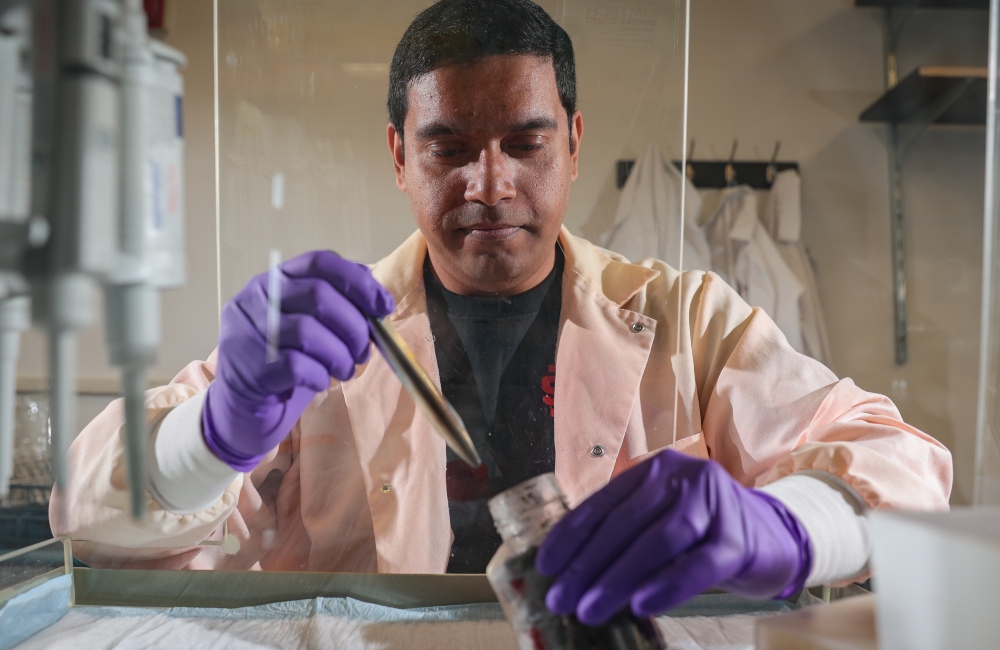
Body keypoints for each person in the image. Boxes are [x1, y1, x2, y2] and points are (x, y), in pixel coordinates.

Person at [51, 0, 951, 626]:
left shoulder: (690, 320)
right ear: (400, 155)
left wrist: (788, 528)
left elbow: (902, 463)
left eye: (526, 142)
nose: (491, 185)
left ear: (574, 142)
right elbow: (89, 516)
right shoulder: (316, 338)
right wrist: (212, 434)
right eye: (449, 146)